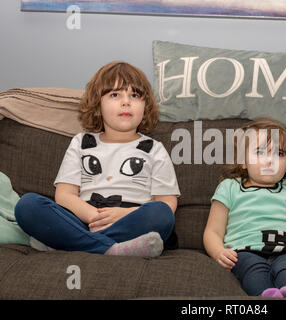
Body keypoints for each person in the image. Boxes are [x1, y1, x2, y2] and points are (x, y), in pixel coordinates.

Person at [15, 61, 180, 257]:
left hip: (131, 219)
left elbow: (167, 202)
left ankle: (71, 242)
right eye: (115, 95)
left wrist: (124, 215)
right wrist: (94, 216)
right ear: (97, 105)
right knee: (28, 205)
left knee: (160, 213)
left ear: (145, 106)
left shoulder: (154, 149)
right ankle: (112, 249)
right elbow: (64, 195)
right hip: (85, 217)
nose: (126, 101)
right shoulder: (81, 142)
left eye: (134, 95)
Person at [203, 119, 286, 298]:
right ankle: (266, 295)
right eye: (259, 152)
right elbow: (213, 231)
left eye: (279, 154)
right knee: (253, 269)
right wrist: (218, 252)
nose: (269, 160)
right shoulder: (230, 187)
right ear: (243, 161)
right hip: (243, 252)